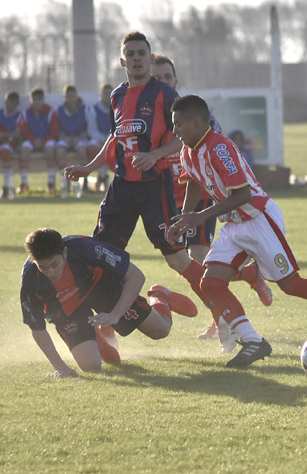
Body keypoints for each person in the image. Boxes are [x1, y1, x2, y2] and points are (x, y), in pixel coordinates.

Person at [168, 94, 307, 368]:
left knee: (291, 285)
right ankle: (253, 342)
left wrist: (199, 217)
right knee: (211, 283)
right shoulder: (187, 151)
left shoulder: (219, 147)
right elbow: (193, 180)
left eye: (179, 124)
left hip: (259, 218)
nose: (174, 131)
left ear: (196, 122)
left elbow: (242, 195)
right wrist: (184, 217)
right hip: (233, 224)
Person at [64, 32, 223, 335]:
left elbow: (184, 138)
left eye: (142, 53)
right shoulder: (117, 97)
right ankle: (104, 330)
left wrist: (155, 155)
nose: (136, 58)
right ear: (122, 61)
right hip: (122, 187)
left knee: (178, 258)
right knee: (100, 258)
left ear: (150, 59)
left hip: (154, 186)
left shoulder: (164, 95)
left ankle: (222, 315)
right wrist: (89, 167)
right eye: (131, 54)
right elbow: (115, 139)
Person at [152, 54, 272, 340]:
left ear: (176, 80)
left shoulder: (195, 116)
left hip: (200, 198)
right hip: (169, 199)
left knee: (201, 259)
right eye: (157, 79)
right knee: (180, 262)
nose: (163, 83)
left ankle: (222, 320)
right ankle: (249, 276)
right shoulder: (148, 117)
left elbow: (213, 162)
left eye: (167, 77)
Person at [20, 228, 178, 377]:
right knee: (91, 367)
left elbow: (136, 275)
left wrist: (116, 314)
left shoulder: (86, 248)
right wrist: (61, 368)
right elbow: (37, 328)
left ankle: (160, 294)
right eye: (43, 267)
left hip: (101, 288)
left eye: (55, 264)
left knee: (161, 330)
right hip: (67, 307)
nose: (51, 272)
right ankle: (96, 336)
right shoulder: (29, 280)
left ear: (65, 253)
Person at [19, 87, 59, 195]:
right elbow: (25, 131)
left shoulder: (50, 112)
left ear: (43, 100)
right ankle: (24, 183)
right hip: (32, 140)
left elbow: (54, 133)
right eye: (34, 99)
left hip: (47, 140)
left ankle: (51, 183)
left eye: (39, 99)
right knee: (24, 149)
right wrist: (33, 140)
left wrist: (43, 141)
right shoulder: (26, 113)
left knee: (50, 149)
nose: (36, 102)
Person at [56, 85, 89, 197]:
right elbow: (57, 128)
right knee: (60, 151)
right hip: (65, 138)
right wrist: (64, 137)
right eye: (68, 96)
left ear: (76, 96)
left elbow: (86, 128)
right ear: (64, 97)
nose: (71, 99)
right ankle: (65, 181)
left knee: (82, 151)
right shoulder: (60, 110)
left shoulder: (84, 109)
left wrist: (80, 138)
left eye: (72, 96)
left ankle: (84, 182)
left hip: (79, 138)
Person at [86, 83, 114, 192]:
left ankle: (107, 178)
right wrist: (102, 139)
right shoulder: (94, 109)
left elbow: (118, 126)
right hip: (98, 139)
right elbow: (91, 129)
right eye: (105, 94)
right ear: (101, 95)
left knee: (116, 149)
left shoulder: (116, 109)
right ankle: (103, 176)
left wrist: (108, 139)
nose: (108, 96)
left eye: (110, 94)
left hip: (112, 139)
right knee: (92, 147)